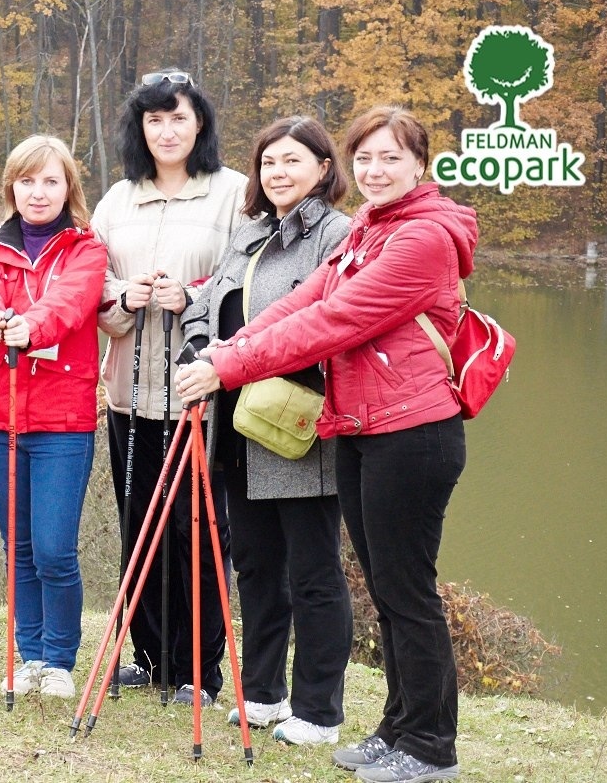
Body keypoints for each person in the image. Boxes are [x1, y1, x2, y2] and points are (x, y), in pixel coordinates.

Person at [176, 105, 472, 783]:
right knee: (390, 589)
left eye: (390, 158)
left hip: (414, 431)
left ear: (420, 164)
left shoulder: (423, 237)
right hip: (363, 427)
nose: (375, 170)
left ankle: (430, 746)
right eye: (366, 157)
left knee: (409, 592)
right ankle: (396, 727)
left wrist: (228, 367)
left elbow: (334, 321)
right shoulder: (370, 227)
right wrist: (230, 347)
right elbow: (305, 298)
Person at [179, 116, 353, 745]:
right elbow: (205, 305)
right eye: (269, 162)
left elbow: (317, 324)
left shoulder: (338, 236)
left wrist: (230, 359)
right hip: (235, 426)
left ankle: (318, 710)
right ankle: (263, 693)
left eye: (293, 161)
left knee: (312, 570)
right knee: (254, 564)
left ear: (323, 168)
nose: (278, 173)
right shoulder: (249, 234)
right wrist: (201, 351)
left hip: (298, 425)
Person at [94, 68, 248, 706]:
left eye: (178, 117)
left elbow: (249, 280)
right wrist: (121, 299)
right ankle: (151, 657)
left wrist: (192, 297)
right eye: (154, 120)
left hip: (200, 398)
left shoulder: (234, 193)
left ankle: (198, 672)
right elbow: (92, 285)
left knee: (198, 533)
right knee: (140, 530)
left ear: (201, 123)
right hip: (130, 396)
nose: (166, 131)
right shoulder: (117, 199)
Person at [0, 135, 107, 699]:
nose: (38, 192)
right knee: (17, 545)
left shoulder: (87, 249)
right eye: (27, 181)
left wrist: (29, 325)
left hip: (63, 422)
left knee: (53, 547)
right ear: (11, 189)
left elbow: (70, 304)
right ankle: (29, 655)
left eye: (50, 181)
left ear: (68, 187)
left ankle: (60, 660)